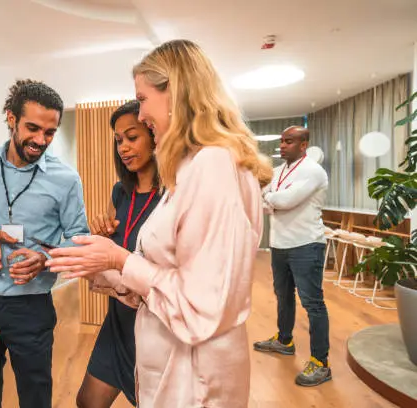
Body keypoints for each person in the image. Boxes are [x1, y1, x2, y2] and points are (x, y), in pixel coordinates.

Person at [46, 39, 272, 408]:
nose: (142, 113)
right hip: (169, 358)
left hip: (192, 378)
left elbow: (198, 308)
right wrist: (94, 263)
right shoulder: (195, 167)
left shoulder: (211, 165)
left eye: (143, 99)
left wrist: (119, 259)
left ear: (175, 92)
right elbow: (166, 279)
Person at [0, 79, 89, 408]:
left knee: (35, 395)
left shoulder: (66, 179)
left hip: (31, 306)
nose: (41, 140)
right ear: (11, 118)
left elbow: (79, 238)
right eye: (33, 128)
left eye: (50, 132)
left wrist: (46, 259)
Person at [77, 100, 160, 408]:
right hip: (119, 318)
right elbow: (113, 247)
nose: (123, 147)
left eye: (132, 137)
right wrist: (101, 233)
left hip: (155, 324)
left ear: (154, 136)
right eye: (118, 140)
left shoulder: (173, 196)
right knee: (88, 401)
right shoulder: (120, 192)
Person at [254, 126, 331, 387]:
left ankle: (321, 362)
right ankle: (284, 340)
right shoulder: (278, 172)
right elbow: (264, 202)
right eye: (282, 141)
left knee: (313, 304)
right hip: (280, 245)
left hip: (306, 245)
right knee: (283, 296)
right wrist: (272, 199)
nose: (282, 146)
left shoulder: (313, 171)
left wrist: (271, 198)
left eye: (289, 141)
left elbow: (285, 201)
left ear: (303, 145)